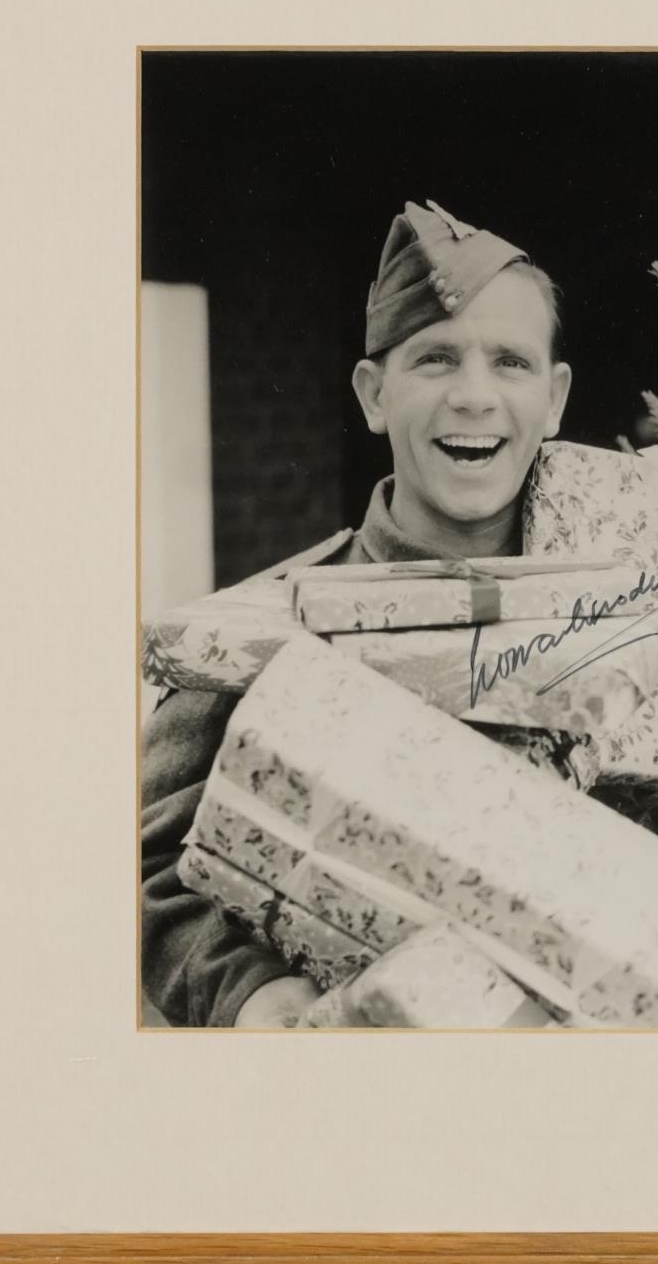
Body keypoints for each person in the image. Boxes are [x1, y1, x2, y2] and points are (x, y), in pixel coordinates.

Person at [141, 200, 573, 1028]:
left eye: (510, 362)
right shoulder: (266, 628)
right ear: (374, 395)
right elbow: (153, 857)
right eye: (436, 360)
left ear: (554, 399)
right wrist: (251, 990)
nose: (474, 396)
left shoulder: (622, 618)